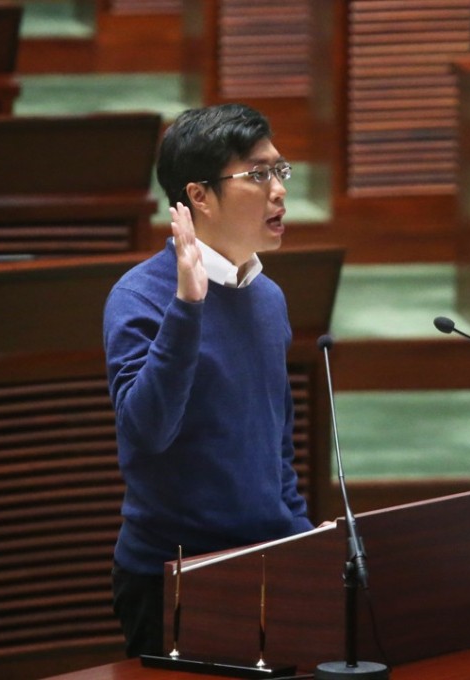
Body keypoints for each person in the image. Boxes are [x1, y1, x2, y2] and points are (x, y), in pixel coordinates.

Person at [103, 103, 315, 657]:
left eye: (279, 171)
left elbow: (276, 446)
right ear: (199, 196)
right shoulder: (139, 297)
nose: (279, 191)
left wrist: (303, 545)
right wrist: (187, 306)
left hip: (268, 561)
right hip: (175, 574)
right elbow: (147, 431)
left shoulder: (268, 297)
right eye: (258, 174)